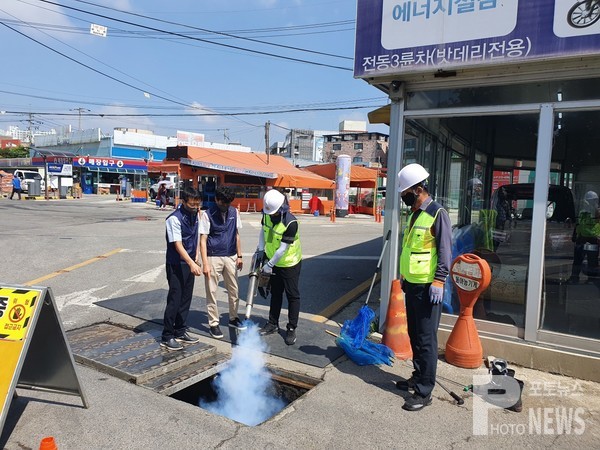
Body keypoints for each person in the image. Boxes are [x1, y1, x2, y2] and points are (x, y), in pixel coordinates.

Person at [395, 163, 452, 411]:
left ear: (418, 190)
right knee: (415, 335)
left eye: (405, 193)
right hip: (413, 285)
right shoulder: (416, 213)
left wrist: (439, 280)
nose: (403, 197)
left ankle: (424, 392)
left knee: (426, 339)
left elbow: (445, 251)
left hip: (429, 287)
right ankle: (418, 376)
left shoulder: (438, 213)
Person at [199, 186, 246, 339]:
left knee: (234, 290)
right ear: (216, 199)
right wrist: (205, 263)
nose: (226, 206)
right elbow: (203, 240)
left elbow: (237, 235)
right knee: (212, 291)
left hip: (231, 255)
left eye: (228, 203)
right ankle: (214, 323)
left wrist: (239, 256)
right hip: (213, 256)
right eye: (223, 202)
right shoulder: (207, 215)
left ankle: (233, 318)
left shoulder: (234, 212)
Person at [257, 189, 302, 346]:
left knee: (292, 295)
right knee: (276, 293)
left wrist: (269, 265)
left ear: (282, 207)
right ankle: (272, 324)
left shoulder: (291, 222)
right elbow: (263, 233)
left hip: (289, 263)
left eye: (275, 213)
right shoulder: (267, 215)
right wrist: (261, 253)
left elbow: (283, 249)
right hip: (272, 261)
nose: (272, 216)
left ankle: (291, 328)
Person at [160, 187, 202, 351]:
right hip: (177, 263)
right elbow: (177, 244)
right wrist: (191, 263)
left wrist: (196, 256)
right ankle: (167, 335)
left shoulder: (195, 214)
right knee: (175, 299)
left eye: (197, 204)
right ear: (183, 201)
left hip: (190, 260)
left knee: (186, 299)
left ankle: (180, 330)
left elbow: (196, 235)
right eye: (191, 204)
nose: (195, 207)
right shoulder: (174, 219)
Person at [568, 190, 600, 283]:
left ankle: (591, 279)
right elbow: (579, 224)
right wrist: (575, 234)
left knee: (592, 261)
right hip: (581, 238)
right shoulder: (582, 211)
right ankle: (574, 277)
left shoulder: (597, 211)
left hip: (593, 239)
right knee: (577, 260)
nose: (589, 203)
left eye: (592, 201)